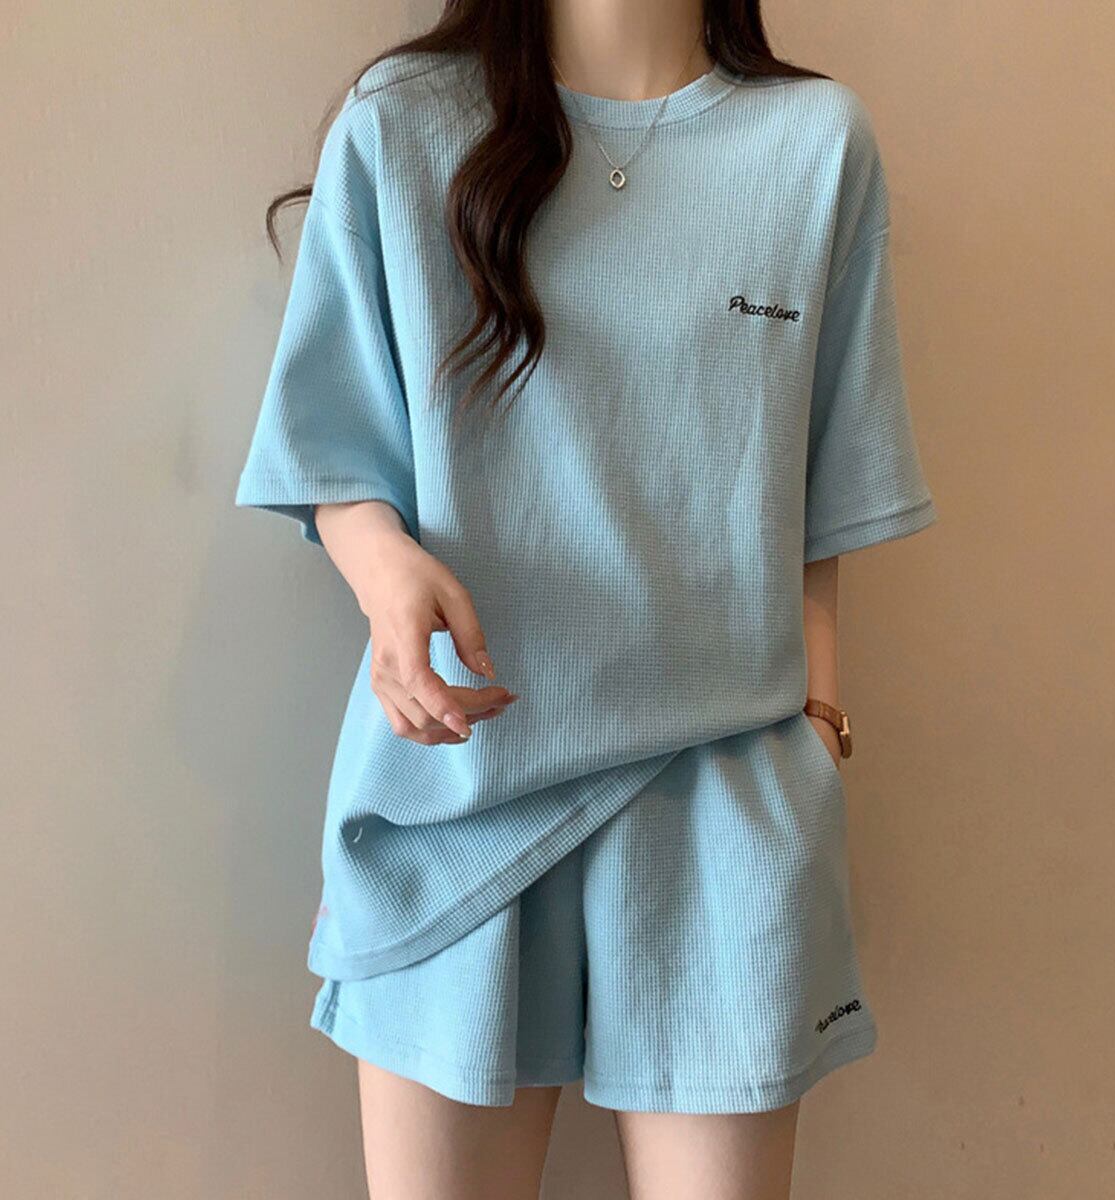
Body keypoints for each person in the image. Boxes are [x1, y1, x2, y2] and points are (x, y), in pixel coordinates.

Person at [234, 1, 937, 1196]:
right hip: (461, 777)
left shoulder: (816, 141)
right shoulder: (403, 121)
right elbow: (331, 440)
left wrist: (820, 735)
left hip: (727, 796)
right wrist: (382, 568)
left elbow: (824, 497)